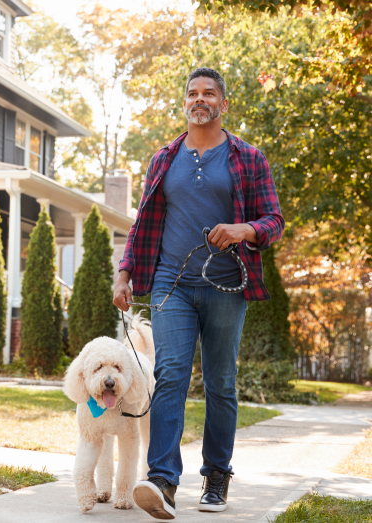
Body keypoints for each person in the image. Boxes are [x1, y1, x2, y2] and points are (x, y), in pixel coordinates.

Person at [113, 67, 284, 520]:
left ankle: (216, 475)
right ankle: (163, 480)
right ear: (184, 101)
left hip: (227, 284)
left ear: (223, 104)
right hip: (172, 281)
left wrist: (244, 228)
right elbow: (142, 223)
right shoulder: (163, 159)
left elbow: (273, 220)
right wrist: (124, 273)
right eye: (192, 93)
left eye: (209, 93)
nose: (200, 99)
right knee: (169, 374)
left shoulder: (248, 158)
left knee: (221, 382)